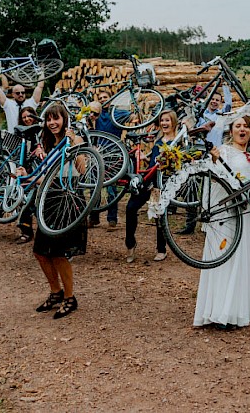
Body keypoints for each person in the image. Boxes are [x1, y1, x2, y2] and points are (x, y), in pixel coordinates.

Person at [194, 115, 250, 328]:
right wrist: (214, 159)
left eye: (246, 127)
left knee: (243, 259)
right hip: (227, 213)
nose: (242, 129)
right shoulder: (222, 151)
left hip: (247, 214)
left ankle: (238, 308)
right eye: (238, 126)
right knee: (224, 257)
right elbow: (213, 176)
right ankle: (220, 310)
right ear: (231, 130)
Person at [31, 102, 87, 319]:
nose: (53, 123)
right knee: (40, 251)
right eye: (49, 119)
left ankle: (70, 298)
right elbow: (45, 178)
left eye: (57, 118)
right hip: (50, 199)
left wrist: (74, 141)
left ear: (64, 119)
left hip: (69, 198)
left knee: (59, 253)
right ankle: (56, 291)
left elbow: (82, 169)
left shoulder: (73, 140)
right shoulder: (47, 144)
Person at [123, 110, 176, 263]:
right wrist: (144, 158)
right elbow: (153, 161)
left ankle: (161, 249)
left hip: (163, 183)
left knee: (159, 215)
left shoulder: (177, 141)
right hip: (148, 180)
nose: (164, 123)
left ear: (173, 122)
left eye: (167, 120)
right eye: (162, 120)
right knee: (131, 208)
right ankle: (130, 244)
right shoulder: (158, 141)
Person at [87, 99, 122, 230]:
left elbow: (131, 116)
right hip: (96, 154)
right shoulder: (90, 117)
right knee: (93, 188)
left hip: (111, 154)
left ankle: (112, 219)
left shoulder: (114, 115)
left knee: (111, 188)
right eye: (99, 97)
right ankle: (93, 217)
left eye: (105, 97)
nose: (102, 99)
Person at [14, 105, 43, 243]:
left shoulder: (42, 133)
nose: (26, 119)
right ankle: (26, 231)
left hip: (40, 171)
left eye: (29, 116)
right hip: (26, 169)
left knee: (36, 200)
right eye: (24, 117)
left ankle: (43, 230)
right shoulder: (20, 134)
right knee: (23, 199)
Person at [197, 83, 233, 147]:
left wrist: (224, 85)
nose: (214, 101)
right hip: (200, 147)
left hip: (215, 148)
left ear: (220, 103)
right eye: (212, 99)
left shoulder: (221, 115)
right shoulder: (201, 113)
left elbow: (228, 103)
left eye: (217, 100)